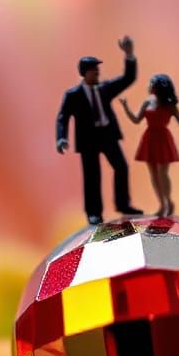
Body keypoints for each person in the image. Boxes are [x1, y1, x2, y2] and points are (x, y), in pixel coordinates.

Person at [56, 36, 144, 226]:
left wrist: (129, 55)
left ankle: (123, 203)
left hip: (108, 135)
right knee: (92, 176)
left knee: (121, 166)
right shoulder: (73, 95)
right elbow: (63, 117)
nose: (97, 72)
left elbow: (128, 78)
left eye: (97, 69)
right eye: (94, 70)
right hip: (88, 140)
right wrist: (61, 138)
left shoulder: (105, 89)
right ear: (85, 73)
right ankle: (94, 213)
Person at [119, 73, 179, 217]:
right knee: (153, 173)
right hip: (150, 138)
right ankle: (161, 204)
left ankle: (168, 201)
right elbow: (136, 119)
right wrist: (126, 108)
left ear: (157, 87)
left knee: (162, 172)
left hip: (163, 138)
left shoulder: (170, 105)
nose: (149, 86)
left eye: (151, 84)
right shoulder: (148, 102)